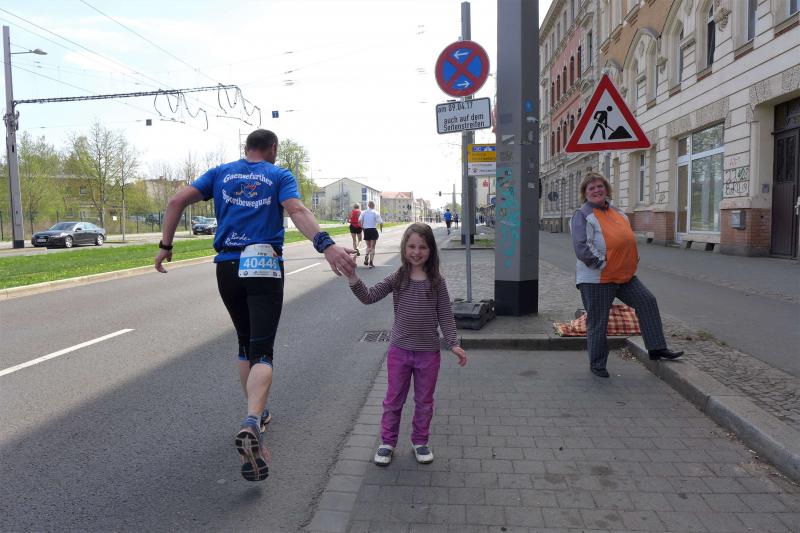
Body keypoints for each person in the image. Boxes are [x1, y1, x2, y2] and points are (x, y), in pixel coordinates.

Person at [154, 129, 355, 481]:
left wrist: (165, 246)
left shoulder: (219, 173)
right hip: (263, 264)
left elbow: (175, 202)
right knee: (263, 350)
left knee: (244, 343)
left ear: (246, 148)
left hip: (228, 266)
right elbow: (296, 209)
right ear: (273, 149)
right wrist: (326, 245)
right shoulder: (279, 175)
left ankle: (259, 415)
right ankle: (252, 421)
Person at [346, 223, 467, 465]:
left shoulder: (437, 281)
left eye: (422, 247)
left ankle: (420, 441)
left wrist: (453, 343)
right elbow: (369, 297)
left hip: (428, 353)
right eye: (412, 246)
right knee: (393, 400)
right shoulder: (398, 277)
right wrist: (352, 277)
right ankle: (387, 442)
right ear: (404, 248)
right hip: (399, 351)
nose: (416, 252)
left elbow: (445, 314)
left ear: (431, 250)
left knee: (424, 401)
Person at [570, 172, 683, 378]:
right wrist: (602, 264)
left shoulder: (618, 212)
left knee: (647, 301)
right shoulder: (583, 215)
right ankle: (597, 364)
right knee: (598, 320)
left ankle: (656, 348)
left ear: (606, 189)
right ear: (585, 193)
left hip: (624, 275)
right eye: (591, 188)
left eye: (600, 186)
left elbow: (626, 239)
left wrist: (632, 259)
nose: (597, 190)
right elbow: (582, 247)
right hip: (597, 279)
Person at [359, 200, 383, 268]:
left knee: (368, 246)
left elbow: (359, 221)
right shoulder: (376, 212)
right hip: (373, 229)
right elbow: (380, 222)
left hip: (366, 230)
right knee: (373, 247)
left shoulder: (363, 212)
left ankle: (367, 255)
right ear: (374, 206)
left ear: (368, 205)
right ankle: (371, 262)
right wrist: (381, 229)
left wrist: (362, 227)